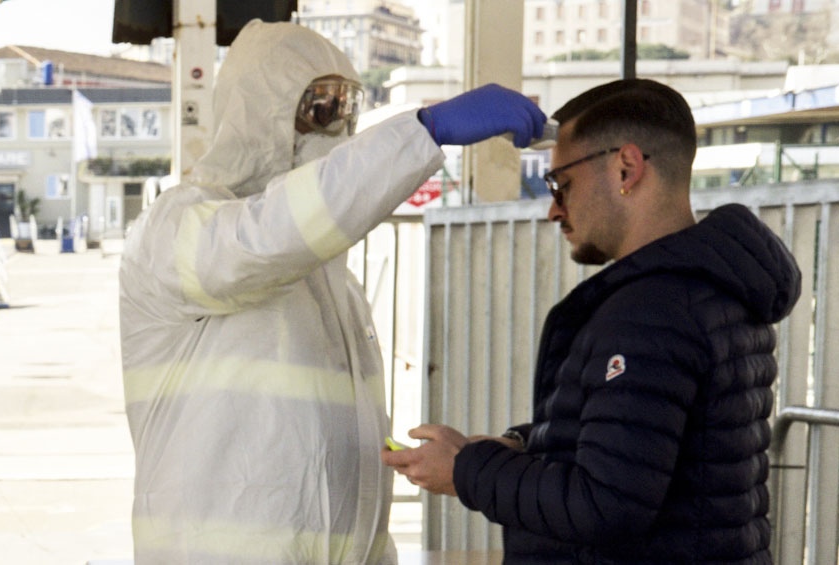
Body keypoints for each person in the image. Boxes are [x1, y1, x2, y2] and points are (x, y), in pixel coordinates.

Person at [118, 18, 547, 565]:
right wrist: (423, 132)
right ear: (260, 110)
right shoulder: (178, 229)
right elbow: (268, 237)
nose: (337, 124)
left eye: (347, 107)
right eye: (319, 106)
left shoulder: (333, 287)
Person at [381, 78, 802, 564]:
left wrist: (466, 470)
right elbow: (643, 445)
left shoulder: (652, 313)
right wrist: (520, 445)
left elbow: (605, 504)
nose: (553, 209)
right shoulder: (711, 286)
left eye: (561, 184)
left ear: (627, 167)